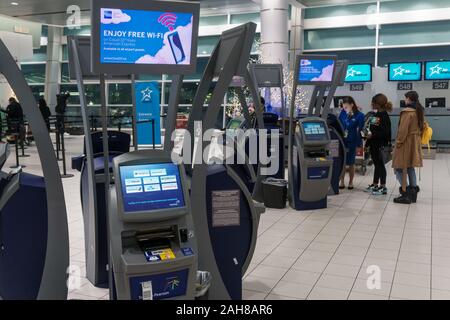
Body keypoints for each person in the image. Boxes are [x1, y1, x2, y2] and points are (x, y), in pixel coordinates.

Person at [392, 91, 424, 204]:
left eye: (405, 98)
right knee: (410, 167)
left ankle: (405, 193)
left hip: (405, 142)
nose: (404, 100)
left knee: (399, 168)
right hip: (414, 141)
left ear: (409, 99)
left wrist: (398, 142)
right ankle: (413, 193)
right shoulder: (419, 111)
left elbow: (402, 130)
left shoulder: (407, 112)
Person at [365, 94, 392, 195]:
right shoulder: (376, 115)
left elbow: (385, 133)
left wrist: (372, 135)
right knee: (376, 164)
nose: (371, 104)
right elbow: (372, 129)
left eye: (373, 102)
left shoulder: (384, 116)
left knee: (380, 165)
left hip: (381, 145)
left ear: (378, 104)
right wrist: (367, 142)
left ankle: (383, 186)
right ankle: (375, 184)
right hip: (374, 144)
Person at [339, 96, 365, 190]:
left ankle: (350, 182)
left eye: (346, 107)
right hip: (342, 140)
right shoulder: (342, 113)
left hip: (352, 140)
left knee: (351, 162)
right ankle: (341, 181)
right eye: (343, 107)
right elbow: (339, 124)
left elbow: (361, 129)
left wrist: (359, 143)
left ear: (352, 105)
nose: (344, 108)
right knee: (341, 162)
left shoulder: (359, 115)